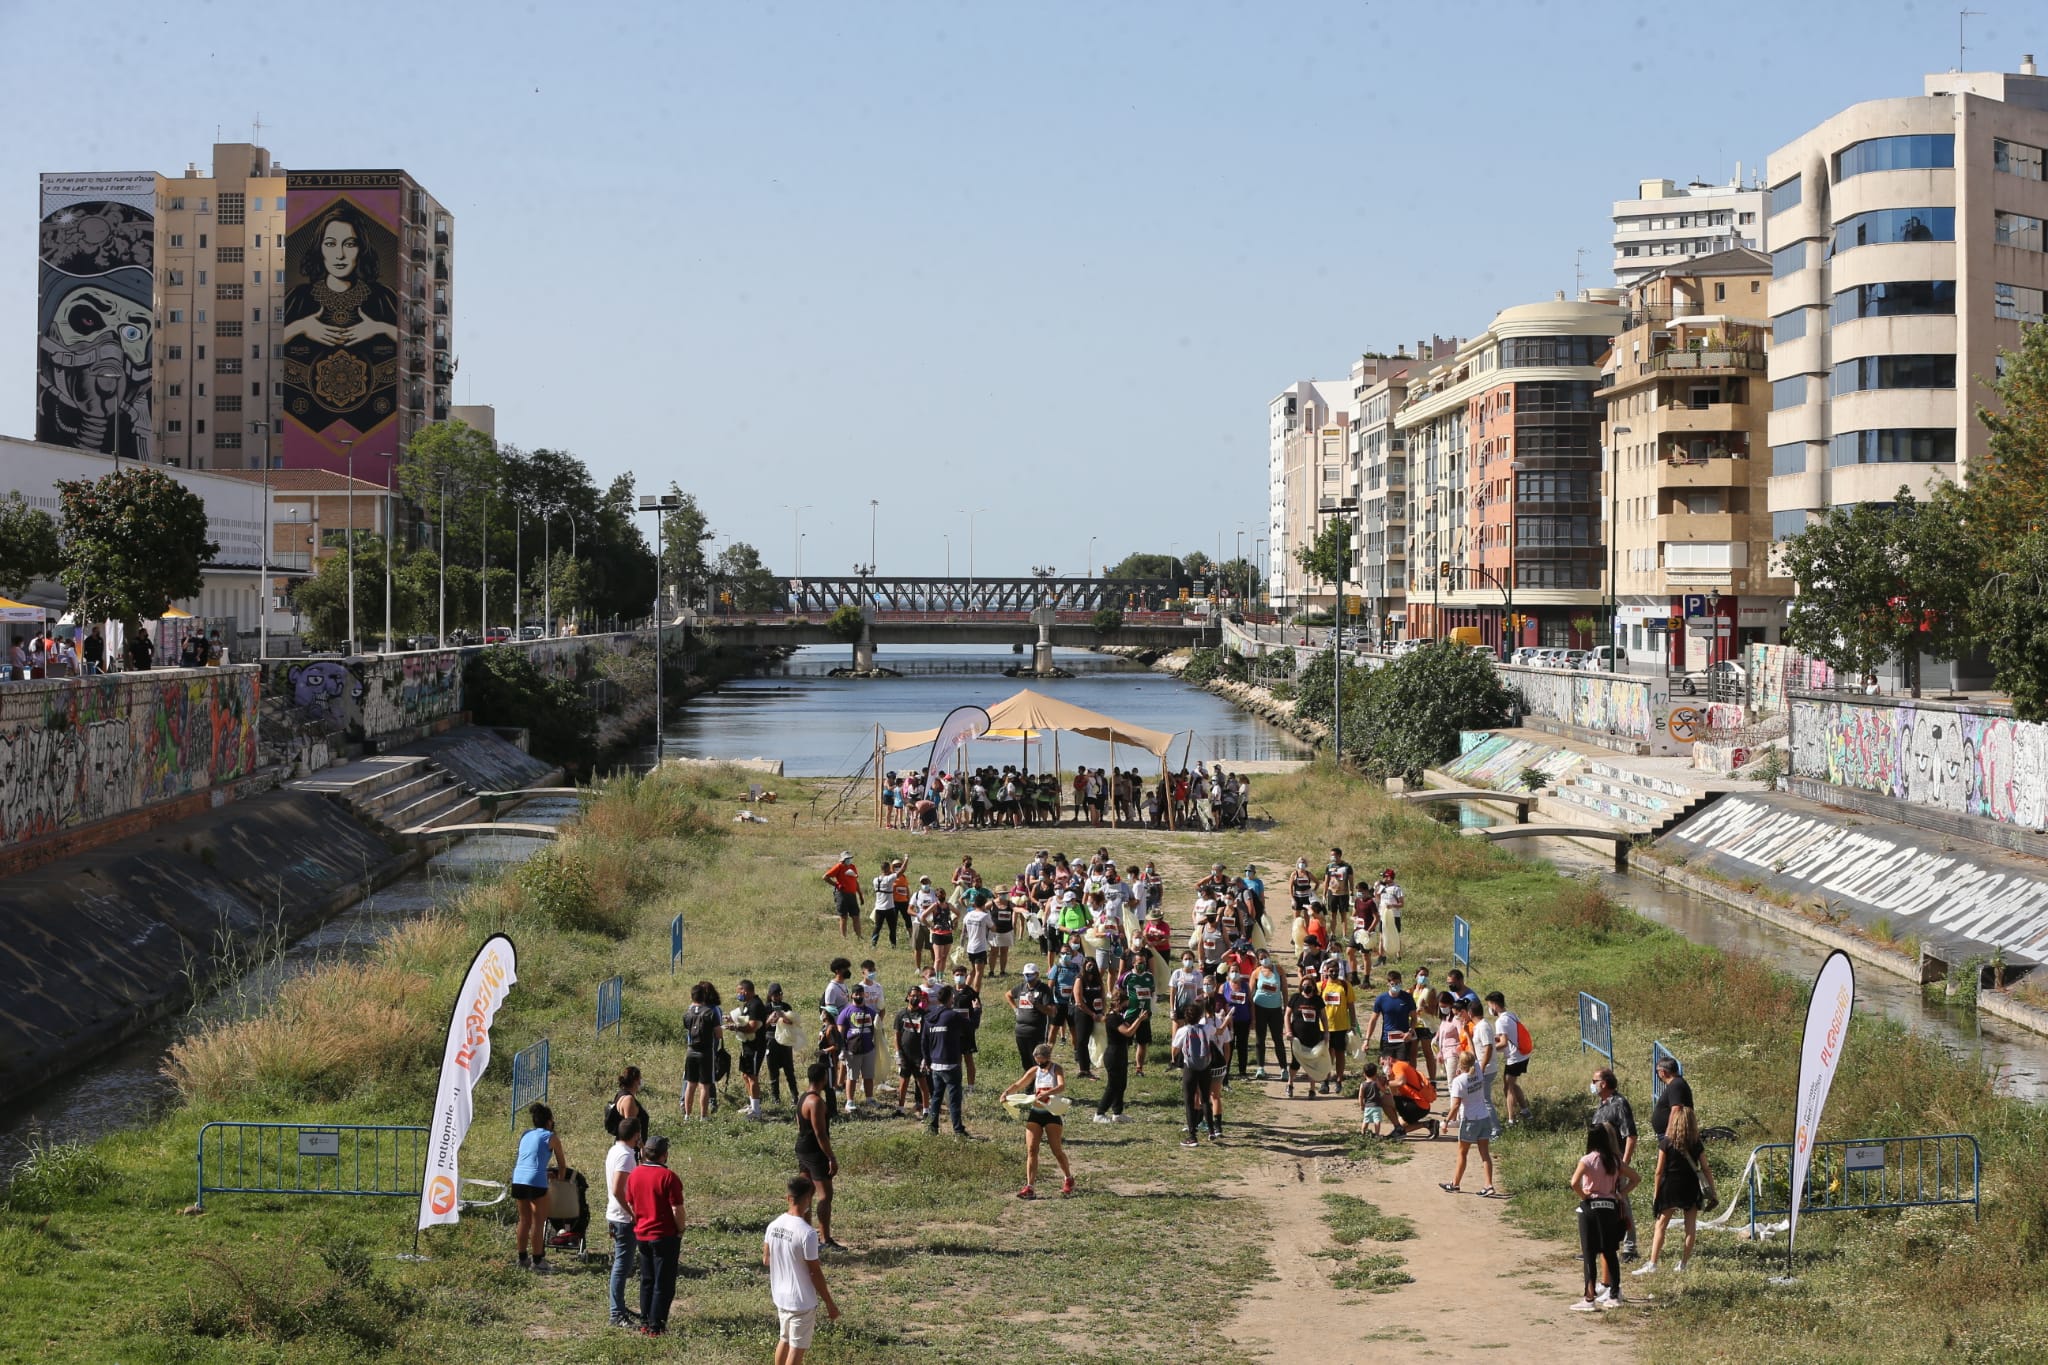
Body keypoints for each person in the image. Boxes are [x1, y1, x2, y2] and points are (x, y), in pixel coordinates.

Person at [765, 1174, 840, 1365]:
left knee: (785, 1339)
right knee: (797, 1349)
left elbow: (766, 1259)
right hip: (801, 1301)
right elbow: (814, 1272)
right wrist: (829, 1303)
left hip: (780, 1296)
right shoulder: (807, 1233)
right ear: (809, 1198)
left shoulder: (773, 1226)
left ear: (788, 1198)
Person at [1569, 1123, 1639, 1312]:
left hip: (1591, 1207)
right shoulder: (1614, 1160)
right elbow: (1636, 1178)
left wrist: (1585, 1196)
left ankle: (1589, 1298)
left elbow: (1574, 1182)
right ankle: (1615, 1295)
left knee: (1589, 1253)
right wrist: (1619, 1194)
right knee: (1610, 1252)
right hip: (1610, 1207)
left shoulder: (1588, 1159)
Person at [623, 1134, 686, 1335]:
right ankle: (656, 1326)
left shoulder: (635, 1174)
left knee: (647, 1280)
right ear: (664, 1155)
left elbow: (630, 1203)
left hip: (642, 1234)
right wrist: (680, 1229)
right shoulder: (669, 1177)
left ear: (644, 1152)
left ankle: (644, 1321)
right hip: (664, 1235)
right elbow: (677, 1209)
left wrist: (639, 1219)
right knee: (664, 1283)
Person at [1635, 1103, 1708, 1277]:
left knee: (1661, 1225)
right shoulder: (1696, 1143)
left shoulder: (1665, 1143)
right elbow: (1705, 1168)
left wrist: (1656, 1193)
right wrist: (1711, 1189)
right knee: (1690, 1227)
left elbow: (1659, 1171)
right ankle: (1683, 1264)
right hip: (1690, 1186)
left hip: (1670, 1186)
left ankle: (1653, 1263)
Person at [1001, 1041, 1075, 1199]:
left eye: (1043, 1061)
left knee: (1056, 1150)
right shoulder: (1035, 1070)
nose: (1041, 1065)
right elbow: (1019, 1084)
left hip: (1051, 1113)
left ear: (1048, 1058)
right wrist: (1006, 1093)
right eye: (1038, 1061)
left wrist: (1047, 1093)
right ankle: (1030, 1186)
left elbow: (1061, 1086)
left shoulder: (1056, 1069)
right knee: (1032, 1150)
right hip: (1036, 1113)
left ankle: (1068, 1178)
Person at [1591, 1067, 1642, 1259]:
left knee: (1621, 1202)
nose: (1592, 1084)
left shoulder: (1619, 1104)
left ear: (1604, 1084)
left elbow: (1631, 1136)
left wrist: (1623, 1164)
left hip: (1614, 1164)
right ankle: (1597, 1243)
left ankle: (1630, 1247)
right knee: (1597, 1202)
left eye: (1594, 1081)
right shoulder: (1602, 1105)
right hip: (1598, 1164)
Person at [510, 1102, 566, 1272]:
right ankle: (538, 1261)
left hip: (518, 1178)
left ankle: (522, 1258)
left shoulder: (525, 1134)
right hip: (536, 1180)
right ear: (549, 1122)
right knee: (538, 1222)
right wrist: (559, 1184)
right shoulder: (551, 1137)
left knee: (524, 1220)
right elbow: (562, 1165)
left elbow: (531, 1158)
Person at [1438, 1052, 1501, 1196]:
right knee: (1485, 1154)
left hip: (1469, 1121)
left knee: (1462, 1153)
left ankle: (1455, 1184)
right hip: (1484, 1117)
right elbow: (1473, 1052)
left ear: (1460, 1064)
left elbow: (1456, 1105)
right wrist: (1467, 1034)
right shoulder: (1478, 1070)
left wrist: (1446, 1122)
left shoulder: (1459, 1081)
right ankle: (1489, 1185)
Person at [795, 1061, 842, 1251]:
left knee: (806, 1194)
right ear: (823, 1078)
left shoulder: (802, 1097)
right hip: (815, 1151)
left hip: (802, 1148)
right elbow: (820, 1133)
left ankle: (805, 1234)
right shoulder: (815, 1102)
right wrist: (830, 1157)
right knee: (825, 1196)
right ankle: (825, 1240)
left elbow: (800, 1125)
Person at [604, 1115, 643, 1327]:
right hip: (623, 1217)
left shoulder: (615, 1150)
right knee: (622, 1265)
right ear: (636, 1135)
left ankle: (618, 1305)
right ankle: (616, 1313)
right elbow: (619, 1189)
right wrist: (633, 1213)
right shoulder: (626, 1156)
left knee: (622, 1264)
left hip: (616, 1214)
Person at [923, 985, 972, 1137]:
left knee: (936, 1097)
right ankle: (958, 1131)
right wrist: (976, 1011)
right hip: (950, 1064)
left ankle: (932, 1128)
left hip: (935, 1064)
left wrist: (926, 1059)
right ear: (951, 998)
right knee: (954, 1099)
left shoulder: (929, 1016)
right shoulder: (952, 1015)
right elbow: (972, 1026)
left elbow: (924, 1041)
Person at [1093, 985, 1144, 1124]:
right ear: (1118, 1003)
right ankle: (1100, 1113)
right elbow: (1128, 1032)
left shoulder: (1118, 1017)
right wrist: (1139, 1020)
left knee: (1122, 1084)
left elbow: (1128, 1027)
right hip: (1113, 1054)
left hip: (1121, 1053)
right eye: (1125, 1004)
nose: (1126, 1006)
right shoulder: (1112, 1018)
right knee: (1113, 1085)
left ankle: (1117, 1112)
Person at [1173, 1001, 1216, 1146]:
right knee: (1205, 1099)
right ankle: (1211, 1130)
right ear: (1199, 1017)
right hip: (1205, 1067)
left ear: (1186, 1017)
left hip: (1190, 1068)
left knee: (1189, 1101)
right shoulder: (1207, 1028)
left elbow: (1175, 1049)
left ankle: (1192, 1136)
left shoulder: (1183, 1031)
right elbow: (1218, 1032)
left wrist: (1174, 1059)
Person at [836, 987, 882, 1115]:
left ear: (864, 995)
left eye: (861, 993)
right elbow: (840, 1033)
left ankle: (869, 1098)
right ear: (852, 996)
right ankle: (850, 1101)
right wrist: (842, 1050)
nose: (858, 996)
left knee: (868, 1076)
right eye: (856, 994)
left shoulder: (871, 1012)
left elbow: (877, 1030)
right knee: (852, 1077)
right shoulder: (846, 1012)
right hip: (852, 1050)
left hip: (868, 1049)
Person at [682, 981, 724, 1119]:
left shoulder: (687, 1013)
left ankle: (687, 1115)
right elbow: (718, 1034)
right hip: (706, 1051)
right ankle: (703, 1116)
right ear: (704, 996)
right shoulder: (710, 1012)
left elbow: (687, 1028)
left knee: (690, 1084)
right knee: (704, 1086)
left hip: (691, 1050)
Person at [1488, 991, 1530, 1125]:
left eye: (1489, 1005)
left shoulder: (1500, 1021)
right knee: (1511, 1083)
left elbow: (1504, 1042)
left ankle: (1512, 1119)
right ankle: (1525, 1111)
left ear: (1494, 1005)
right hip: (1523, 1055)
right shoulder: (1511, 1015)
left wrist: (1489, 1049)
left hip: (1515, 1058)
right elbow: (1508, 1035)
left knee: (1508, 1087)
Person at [732, 980, 770, 1120]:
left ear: (745, 991)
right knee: (745, 1075)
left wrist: (735, 1028)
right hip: (746, 1045)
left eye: (739, 992)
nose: (738, 995)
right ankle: (751, 1104)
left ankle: (756, 1110)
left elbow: (752, 1027)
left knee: (753, 1076)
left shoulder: (756, 1005)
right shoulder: (748, 1004)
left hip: (755, 1047)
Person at [1318, 961, 1358, 1093]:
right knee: (1326, 1055)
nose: (1333, 973)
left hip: (1341, 1027)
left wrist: (1353, 1024)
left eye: (1336, 970)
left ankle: (1339, 1080)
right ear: (1326, 971)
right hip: (1324, 1028)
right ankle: (1325, 1080)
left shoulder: (1345, 986)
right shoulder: (1320, 986)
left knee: (1340, 1054)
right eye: (1331, 970)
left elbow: (1351, 1006)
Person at [1284, 972, 1325, 1100]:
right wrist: (1288, 1031)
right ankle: (1290, 1084)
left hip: (1313, 1036)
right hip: (1297, 1036)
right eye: (1304, 985)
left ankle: (1312, 1089)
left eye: (1309, 985)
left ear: (1314, 986)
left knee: (1312, 1063)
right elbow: (1287, 1015)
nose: (1307, 987)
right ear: (1301, 986)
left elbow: (1323, 1017)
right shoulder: (1296, 998)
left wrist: (1327, 1033)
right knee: (1295, 1062)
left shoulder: (1318, 1000)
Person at [1009, 962, 1055, 1069]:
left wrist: (1035, 1003)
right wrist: (1015, 1009)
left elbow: (1051, 1011)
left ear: (1037, 974)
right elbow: (1008, 995)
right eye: (1026, 974)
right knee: (1025, 1060)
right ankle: (1029, 1083)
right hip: (1021, 1031)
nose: (1027, 977)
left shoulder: (1044, 989)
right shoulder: (1021, 987)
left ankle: (1041, 1083)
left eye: (1030, 974)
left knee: (1039, 1059)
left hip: (1037, 1031)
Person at [1249, 950, 1287, 1080]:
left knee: (1278, 1039)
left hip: (1275, 1009)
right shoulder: (1256, 973)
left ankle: (1284, 1069)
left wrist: (1286, 1007)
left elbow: (1285, 990)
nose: (1264, 959)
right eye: (1261, 958)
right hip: (1260, 1008)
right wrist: (1251, 1014)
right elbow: (1250, 993)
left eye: (1266, 957)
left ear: (1270, 957)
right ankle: (1260, 1068)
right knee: (1260, 1039)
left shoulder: (1279, 970)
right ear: (1258, 961)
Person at [1382, 1057, 1441, 1140]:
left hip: (1416, 1105)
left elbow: (1401, 1082)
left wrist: (1385, 1083)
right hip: (1421, 1106)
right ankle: (1429, 1124)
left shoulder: (1397, 1066)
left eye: (1383, 1063)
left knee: (1385, 1100)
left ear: (1389, 1059)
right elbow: (1395, 1093)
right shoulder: (1401, 1066)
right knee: (1401, 1125)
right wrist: (1390, 1077)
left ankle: (1398, 1130)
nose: (1383, 1066)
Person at [892, 987, 929, 1117]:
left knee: (922, 1084)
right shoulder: (901, 1015)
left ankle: (926, 1111)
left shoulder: (924, 1015)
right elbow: (896, 1036)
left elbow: (927, 1037)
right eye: (913, 995)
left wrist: (926, 1056)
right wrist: (898, 1053)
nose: (915, 998)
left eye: (918, 996)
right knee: (903, 1084)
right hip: (905, 1055)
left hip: (919, 1056)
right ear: (908, 996)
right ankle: (900, 1109)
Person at [763, 983, 801, 1107]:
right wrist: (770, 1019)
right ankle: (775, 1098)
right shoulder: (766, 1008)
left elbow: (794, 1022)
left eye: (778, 995)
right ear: (770, 995)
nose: (776, 997)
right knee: (773, 1071)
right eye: (773, 995)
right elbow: (762, 1027)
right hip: (771, 1040)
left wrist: (783, 1018)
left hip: (785, 1040)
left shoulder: (786, 1006)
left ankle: (795, 1096)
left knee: (789, 1070)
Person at [1071, 957, 1105, 1079]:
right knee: (1082, 1041)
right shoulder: (1080, 979)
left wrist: (1102, 1012)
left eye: (1093, 965)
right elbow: (1078, 1001)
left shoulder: (1098, 980)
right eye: (1088, 965)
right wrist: (1091, 1014)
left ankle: (1098, 1061)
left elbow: (1103, 997)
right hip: (1083, 1014)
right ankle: (1084, 1069)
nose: (1091, 967)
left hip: (1097, 1014)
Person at [1649, 1055, 1694, 1140]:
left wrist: (1668, 1133)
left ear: (1663, 1072)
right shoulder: (1676, 1084)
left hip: (1673, 1135)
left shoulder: (1676, 1084)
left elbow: (1676, 1108)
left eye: (1657, 1071)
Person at [961, 886, 993, 992]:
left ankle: (963, 989)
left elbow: (963, 931)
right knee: (979, 972)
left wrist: (961, 945)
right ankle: (976, 994)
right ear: (984, 904)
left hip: (970, 947)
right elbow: (993, 928)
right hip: (980, 947)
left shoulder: (968, 915)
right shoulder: (984, 916)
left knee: (973, 970)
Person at [823, 851, 860, 938]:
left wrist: (860, 894)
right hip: (842, 894)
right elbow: (825, 877)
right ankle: (844, 937)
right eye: (847, 859)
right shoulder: (839, 866)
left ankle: (859, 936)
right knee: (844, 916)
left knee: (856, 916)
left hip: (852, 895)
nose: (849, 860)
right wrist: (836, 884)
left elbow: (855, 880)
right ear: (843, 859)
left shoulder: (852, 867)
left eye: (850, 858)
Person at [604, 1066, 646, 1145]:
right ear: (635, 1081)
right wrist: (641, 1150)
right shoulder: (628, 1100)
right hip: (630, 1148)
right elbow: (630, 1129)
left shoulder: (620, 1094)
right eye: (640, 1078)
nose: (641, 1082)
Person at [871, 858, 901, 949]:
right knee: (892, 928)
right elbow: (901, 871)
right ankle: (893, 945)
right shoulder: (889, 879)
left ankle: (873, 944)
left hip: (879, 908)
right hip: (889, 908)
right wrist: (906, 860)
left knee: (877, 927)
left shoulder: (875, 880)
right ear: (888, 869)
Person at [1357, 1062, 1390, 1138]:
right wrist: (1386, 1090)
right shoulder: (1376, 1083)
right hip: (1376, 1106)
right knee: (1377, 1120)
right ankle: (1377, 1134)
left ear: (1364, 1074)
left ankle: (1363, 1133)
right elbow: (1383, 1090)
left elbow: (1360, 1096)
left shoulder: (1363, 1084)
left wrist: (1361, 1105)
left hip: (1367, 1106)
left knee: (1366, 1120)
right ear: (1376, 1074)